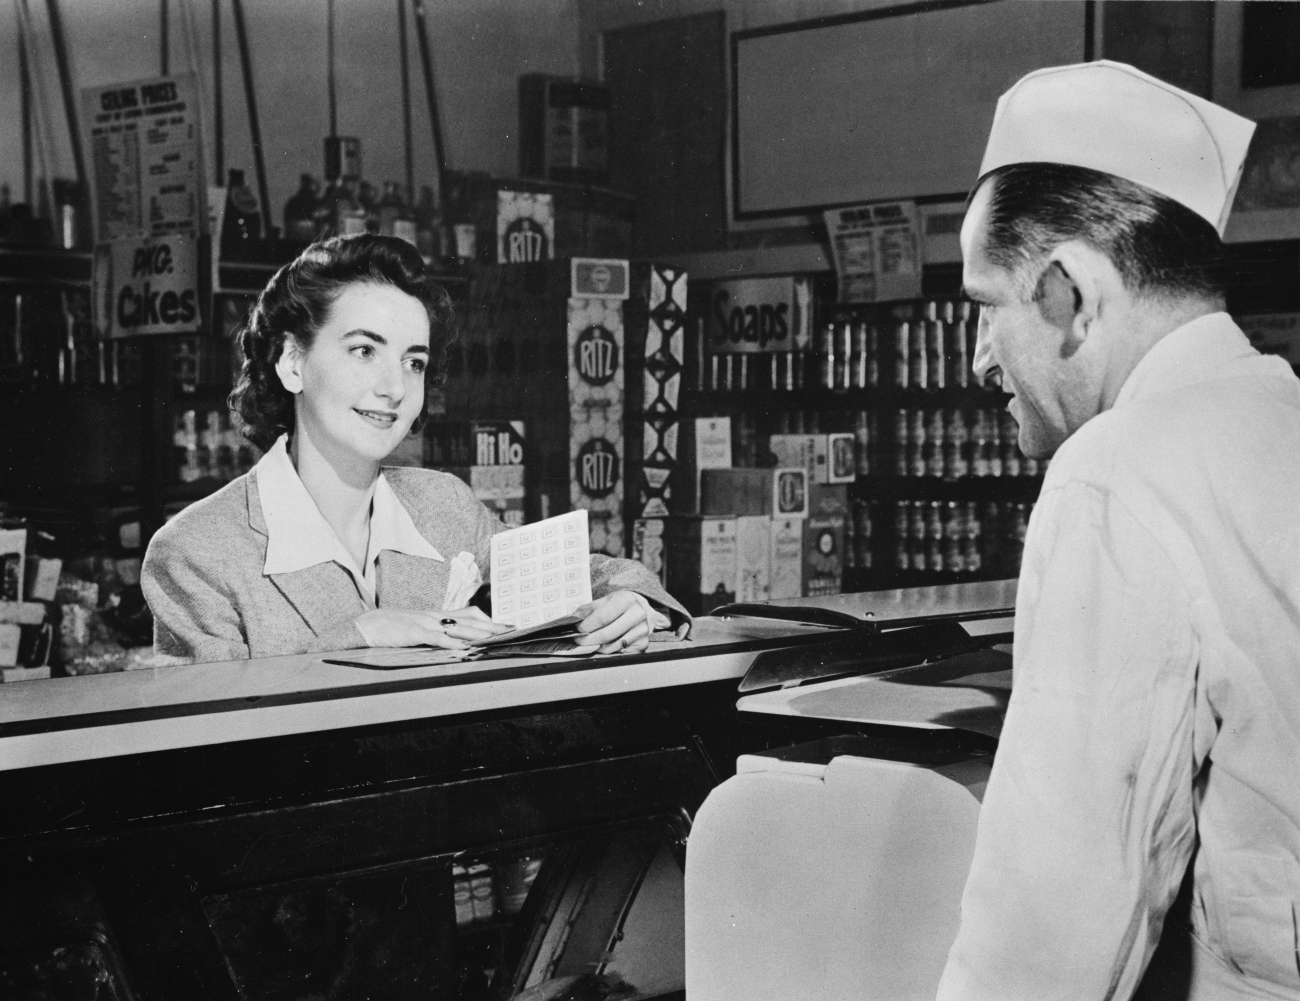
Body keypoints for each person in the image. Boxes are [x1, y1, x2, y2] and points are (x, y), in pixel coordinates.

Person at [936, 62, 1300, 999]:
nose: (979, 360)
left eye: (985, 307)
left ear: (1071, 292)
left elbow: (1051, 926)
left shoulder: (1115, 470)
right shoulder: (1278, 412)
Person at [142, 235, 688, 665]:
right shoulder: (196, 553)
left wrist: (633, 606)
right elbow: (210, 742)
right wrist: (362, 633)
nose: (395, 388)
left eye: (414, 362)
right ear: (290, 362)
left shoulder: (442, 507)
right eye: (363, 351)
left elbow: (591, 575)